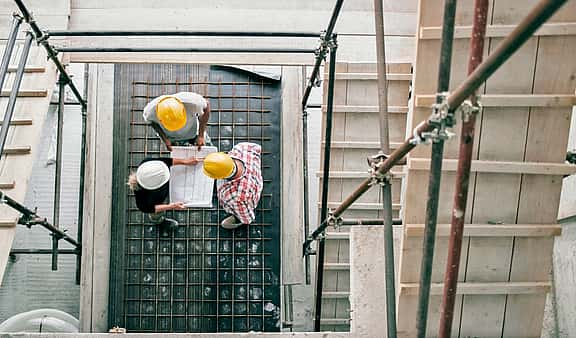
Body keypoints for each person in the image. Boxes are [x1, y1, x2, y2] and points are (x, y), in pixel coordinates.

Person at [127, 156, 202, 234]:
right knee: (156, 215)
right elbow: (149, 208)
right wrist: (171, 206)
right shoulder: (142, 198)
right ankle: (158, 221)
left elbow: (167, 161)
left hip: (163, 192)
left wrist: (185, 161)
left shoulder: (148, 165)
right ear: (155, 187)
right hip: (157, 202)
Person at [203, 142, 263, 229]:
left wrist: (244, 220)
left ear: (221, 177)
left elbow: (248, 219)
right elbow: (257, 147)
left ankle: (236, 217)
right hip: (254, 180)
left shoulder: (233, 195)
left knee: (226, 223)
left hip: (246, 199)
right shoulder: (240, 148)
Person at [143, 92, 211, 151]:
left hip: (193, 133)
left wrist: (201, 135)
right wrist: (165, 139)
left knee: (206, 153)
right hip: (173, 138)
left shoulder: (192, 101)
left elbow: (206, 106)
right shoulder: (149, 112)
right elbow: (152, 122)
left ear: (183, 110)